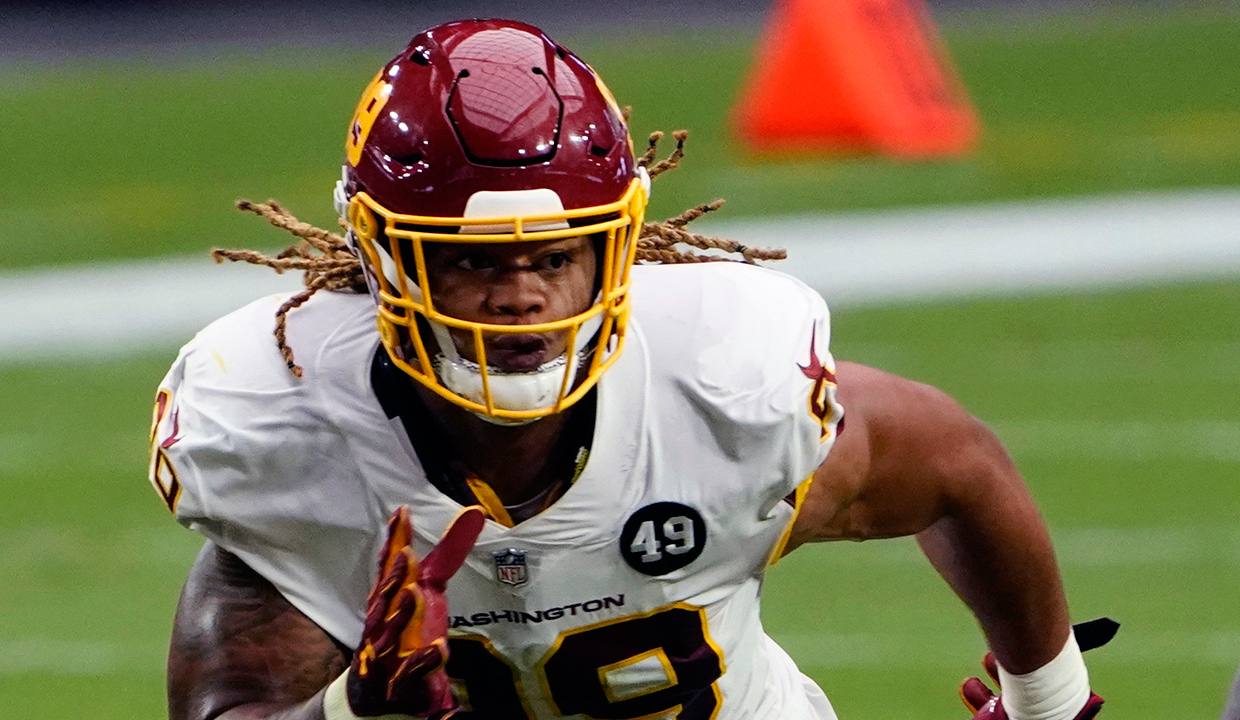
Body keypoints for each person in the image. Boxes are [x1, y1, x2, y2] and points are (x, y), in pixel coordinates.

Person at [147, 18, 1107, 720]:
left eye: (553, 258)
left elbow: (955, 467)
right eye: (474, 259)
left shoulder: (723, 383)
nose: (520, 296)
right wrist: (351, 716)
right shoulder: (284, 425)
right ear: (388, 257)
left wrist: (1048, 697)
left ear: (616, 253)